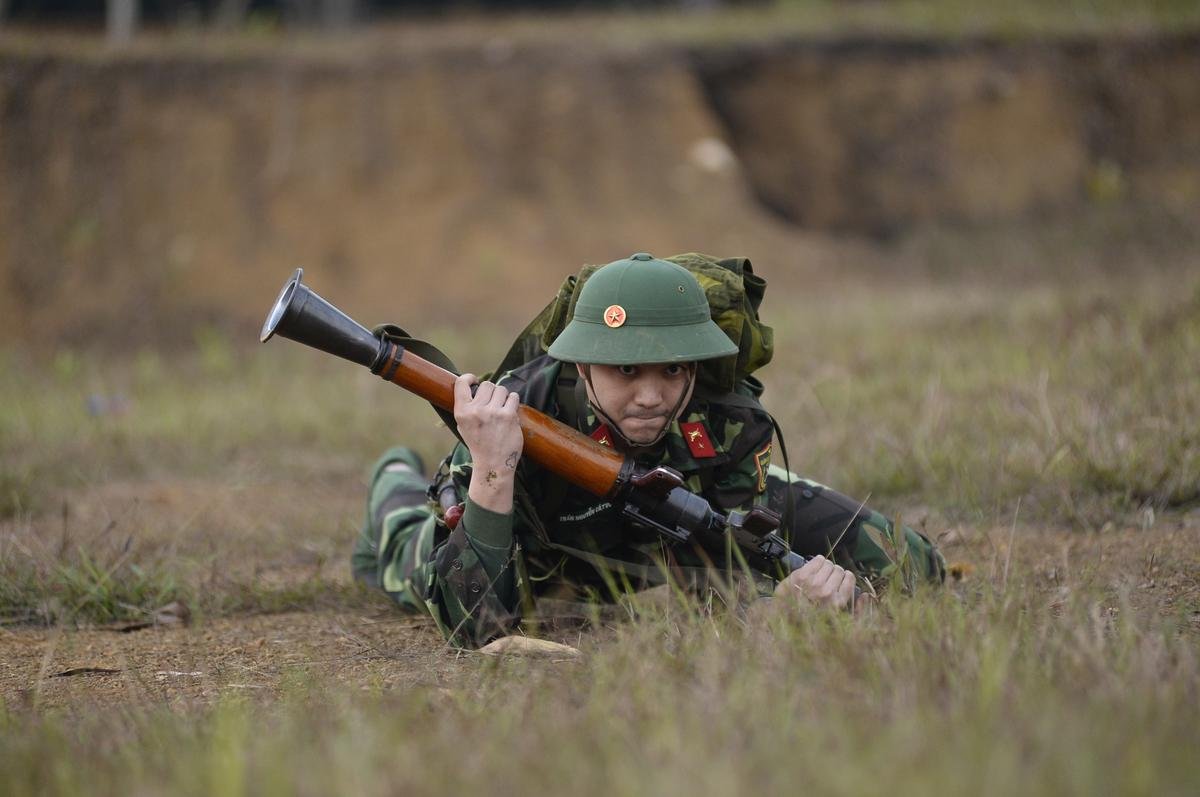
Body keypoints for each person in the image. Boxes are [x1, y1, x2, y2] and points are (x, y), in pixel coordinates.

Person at [352, 253, 944, 647]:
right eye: (626, 370)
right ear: (580, 364)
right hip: (536, 556)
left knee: (911, 562)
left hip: (680, 518)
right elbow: (473, 628)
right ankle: (393, 475)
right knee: (402, 550)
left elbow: (732, 580)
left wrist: (783, 607)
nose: (652, 396)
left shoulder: (729, 421)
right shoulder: (510, 414)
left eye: (673, 369)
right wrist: (491, 469)